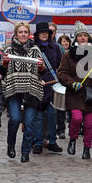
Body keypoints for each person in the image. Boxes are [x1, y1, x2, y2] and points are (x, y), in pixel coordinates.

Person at [0, 21, 45, 163]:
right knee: (15, 119)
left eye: (25, 32)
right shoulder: (8, 49)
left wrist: (41, 67)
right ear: (16, 34)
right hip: (14, 88)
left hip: (31, 89)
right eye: (20, 32)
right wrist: (4, 64)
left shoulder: (35, 49)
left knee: (30, 122)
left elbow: (41, 71)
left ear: (29, 34)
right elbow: (2, 71)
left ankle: (25, 152)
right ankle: (11, 144)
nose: (23, 34)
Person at [57, 21, 92, 159]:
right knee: (76, 118)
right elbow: (62, 73)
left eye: (85, 35)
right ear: (76, 38)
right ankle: (73, 140)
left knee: (88, 124)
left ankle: (87, 148)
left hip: (90, 95)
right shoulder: (68, 55)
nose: (83, 38)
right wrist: (72, 83)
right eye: (80, 35)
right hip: (75, 94)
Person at [33, 22, 63, 154]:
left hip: (52, 85)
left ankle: (52, 141)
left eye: (47, 32)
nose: (44, 34)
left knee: (52, 114)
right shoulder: (33, 48)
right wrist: (38, 79)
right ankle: (38, 142)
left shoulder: (56, 47)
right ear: (38, 34)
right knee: (39, 116)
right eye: (42, 32)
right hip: (38, 84)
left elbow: (60, 66)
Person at [56, 35, 72, 139]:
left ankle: (73, 127)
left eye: (67, 41)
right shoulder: (59, 53)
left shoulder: (73, 53)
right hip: (61, 82)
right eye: (63, 41)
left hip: (71, 83)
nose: (65, 43)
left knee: (71, 107)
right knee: (61, 108)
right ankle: (61, 129)